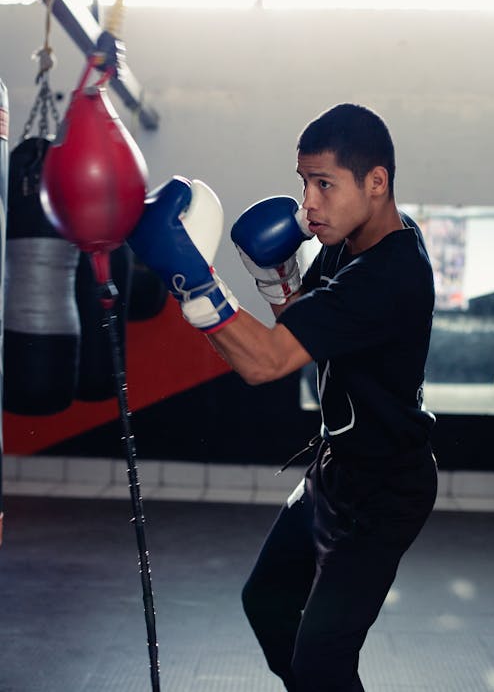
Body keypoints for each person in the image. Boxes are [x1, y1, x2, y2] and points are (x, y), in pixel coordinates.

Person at [128, 102, 438, 692]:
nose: (308, 203)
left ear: (378, 183)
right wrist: (276, 281)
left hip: (385, 494)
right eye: (304, 183)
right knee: (267, 603)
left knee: (323, 657)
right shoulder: (354, 242)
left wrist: (194, 278)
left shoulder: (388, 276)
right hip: (334, 473)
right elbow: (300, 329)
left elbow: (266, 363)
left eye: (324, 184)